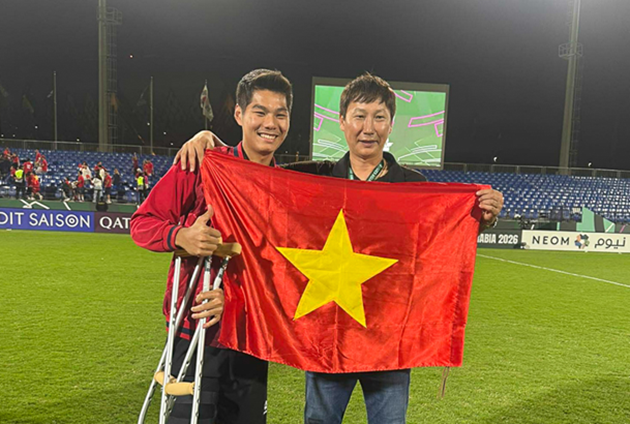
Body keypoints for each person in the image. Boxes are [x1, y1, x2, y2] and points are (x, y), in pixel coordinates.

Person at [176, 73, 503, 424]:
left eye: (379, 117)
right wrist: (210, 141)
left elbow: (435, 249)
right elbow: (256, 183)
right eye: (359, 116)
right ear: (343, 121)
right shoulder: (314, 177)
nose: (368, 128)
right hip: (326, 337)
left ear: (391, 124)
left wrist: (481, 217)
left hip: (389, 340)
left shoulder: (413, 186)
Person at [131, 68, 292, 424]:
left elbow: (284, 271)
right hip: (195, 330)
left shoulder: (288, 188)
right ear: (239, 114)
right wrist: (181, 237)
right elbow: (142, 223)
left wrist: (235, 300)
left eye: (280, 114)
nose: (271, 123)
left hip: (251, 336)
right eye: (260, 112)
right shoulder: (202, 164)